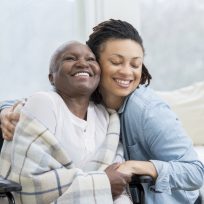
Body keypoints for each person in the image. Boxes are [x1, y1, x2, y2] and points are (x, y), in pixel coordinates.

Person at [1, 19, 204, 203]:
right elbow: (45, 99)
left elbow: (196, 172)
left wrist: (136, 166)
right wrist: (6, 111)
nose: (126, 71)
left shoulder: (147, 110)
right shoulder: (89, 97)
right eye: (116, 62)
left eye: (135, 64)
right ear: (96, 62)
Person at [0, 41, 133, 204]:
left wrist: (105, 183)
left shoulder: (106, 117)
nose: (83, 63)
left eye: (91, 59)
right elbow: (29, 183)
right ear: (51, 77)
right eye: (70, 58)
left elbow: (117, 180)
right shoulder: (44, 102)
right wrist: (102, 182)